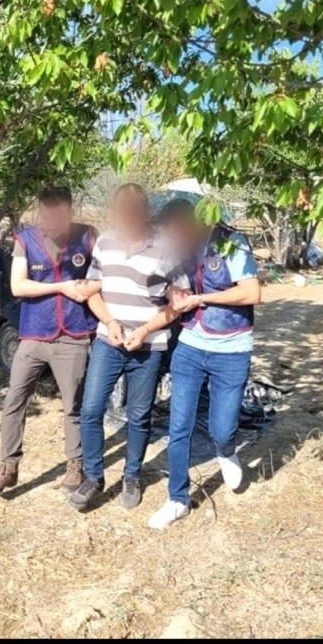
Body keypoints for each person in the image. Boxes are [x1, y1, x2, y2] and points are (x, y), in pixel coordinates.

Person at [69, 183, 190, 511]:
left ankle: (132, 475)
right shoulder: (105, 242)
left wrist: (146, 329)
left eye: (134, 211)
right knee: (91, 410)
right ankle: (93, 477)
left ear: (144, 211)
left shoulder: (165, 247)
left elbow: (179, 304)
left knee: (138, 416)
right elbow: (93, 291)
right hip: (108, 342)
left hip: (148, 347)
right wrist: (110, 322)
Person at [148, 199, 261, 528]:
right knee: (179, 427)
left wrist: (202, 298)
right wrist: (173, 290)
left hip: (232, 349)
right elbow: (162, 281)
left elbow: (251, 292)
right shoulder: (178, 249)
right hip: (190, 347)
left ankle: (226, 450)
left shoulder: (231, 241)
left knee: (222, 429)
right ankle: (177, 499)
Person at [0, 186, 101, 495]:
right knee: (14, 400)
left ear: (70, 213)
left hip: (74, 334)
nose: (49, 224)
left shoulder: (89, 237)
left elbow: (103, 277)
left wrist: (90, 288)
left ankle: (75, 465)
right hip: (34, 333)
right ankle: (8, 465)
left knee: (73, 405)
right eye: (44, 217)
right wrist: (61, 287)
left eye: (56, 218)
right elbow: (19, 286)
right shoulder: (26, 239)